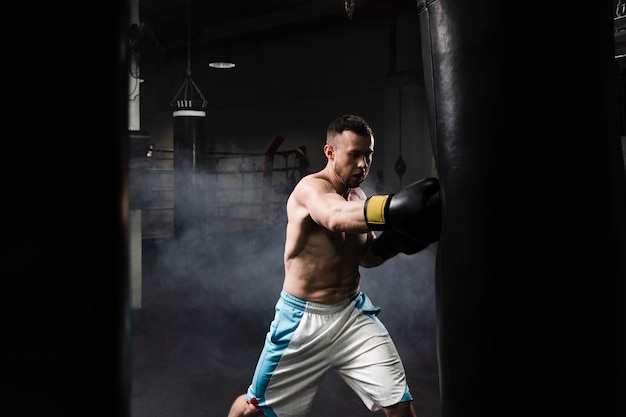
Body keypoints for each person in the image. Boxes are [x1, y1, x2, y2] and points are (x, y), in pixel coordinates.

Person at [227, 114, 441, 417]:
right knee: (254, 408)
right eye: (354, 155)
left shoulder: (358, 195)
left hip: (351, 315)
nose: (362, 164)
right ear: (330, 153)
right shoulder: (309, 189)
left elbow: (366, 257)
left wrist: (396, 243)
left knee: (399, 403)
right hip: (302, 320)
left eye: (368, 155)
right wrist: (395, 208)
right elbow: (335, 217)